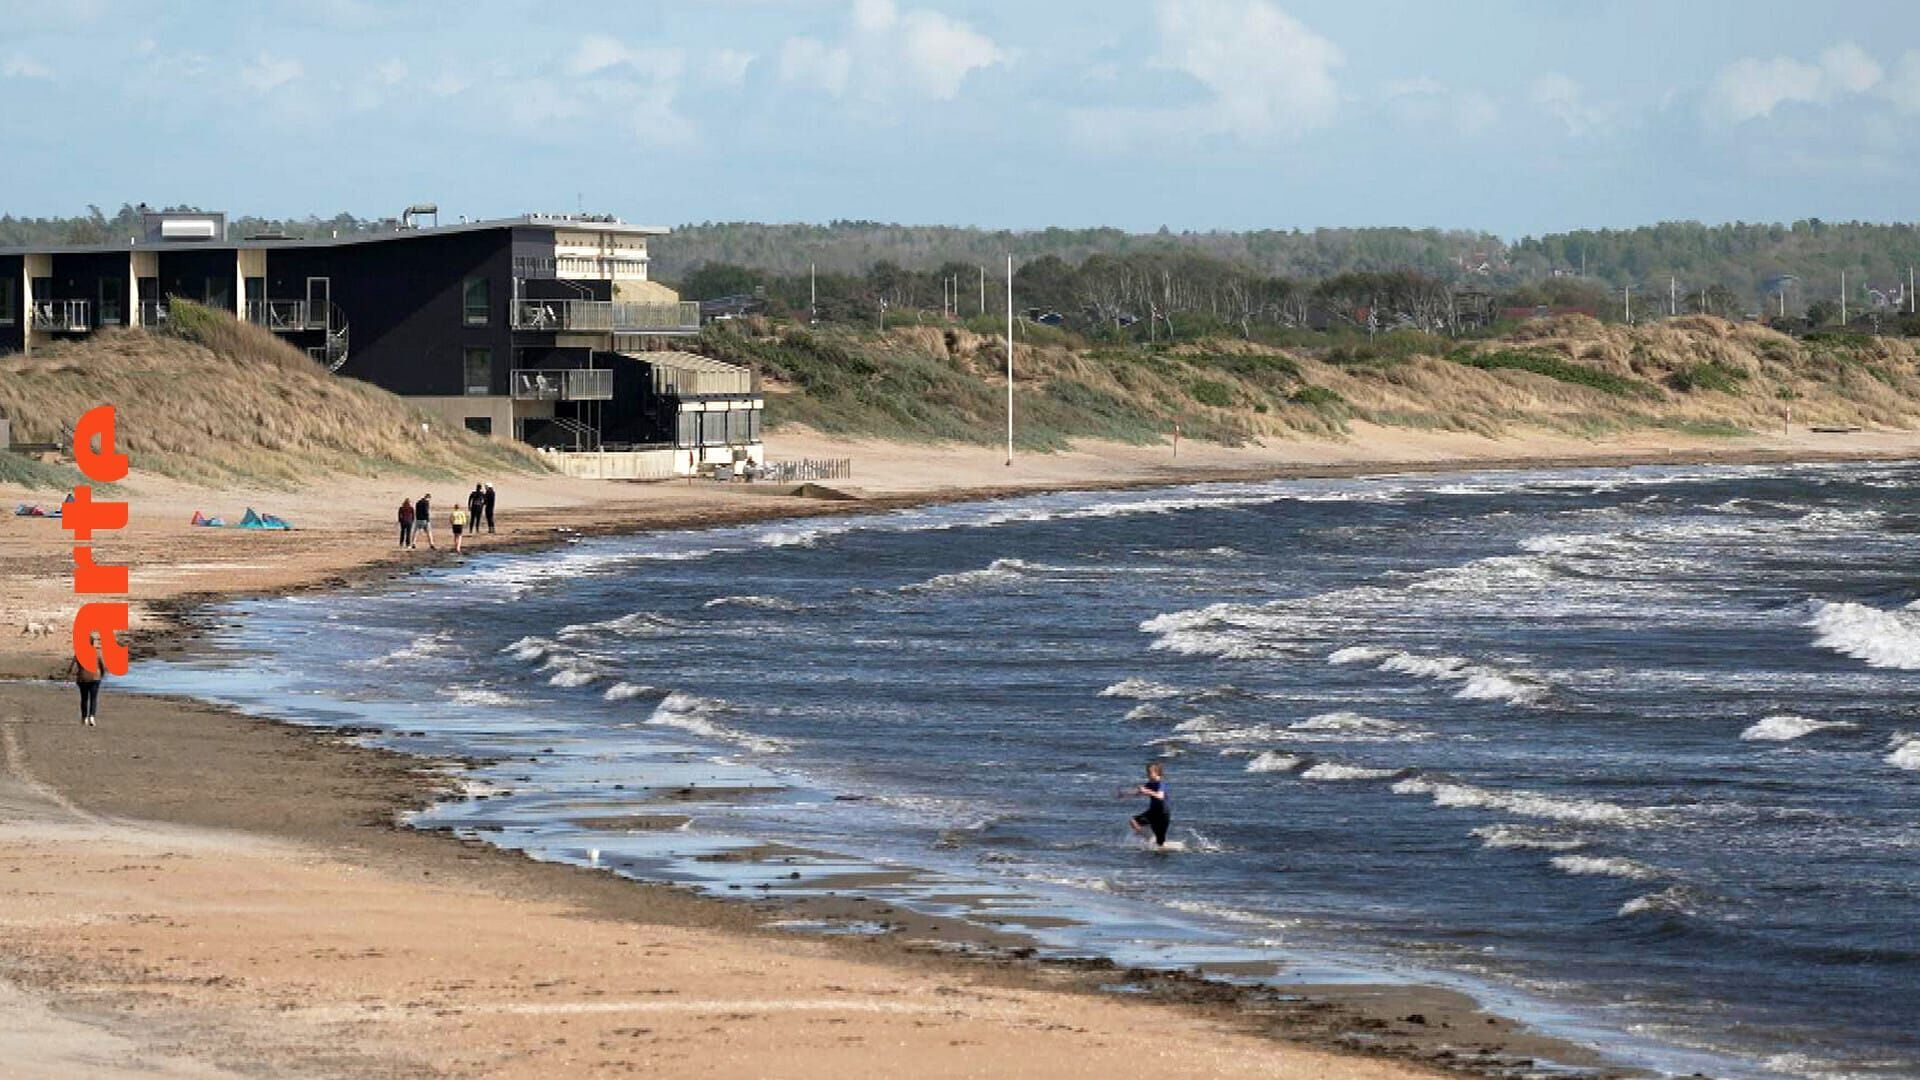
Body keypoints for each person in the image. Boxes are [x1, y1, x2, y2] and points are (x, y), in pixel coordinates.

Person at [1127, 762, 1170, 848]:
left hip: (1163, 814)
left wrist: (1147, 791)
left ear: (1157, 773)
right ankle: (1148, 838)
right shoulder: (1150, 783)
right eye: (1147, 772)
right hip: (1153, 812)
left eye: (1149, 772)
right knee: (1133, 821)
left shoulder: (1161, 783)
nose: (1147, 775)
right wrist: (1124, 794)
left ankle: (1156, 843)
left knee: (1160, 844)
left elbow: (1160, 796)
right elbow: (1139, 793)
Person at [67, 638, 104, 727]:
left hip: (82, 678)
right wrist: (102, 675)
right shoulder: (97, 652)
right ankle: (92, 716)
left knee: (84, 698)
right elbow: (102, 665)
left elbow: (72, 666)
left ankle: (84, 718)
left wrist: (70, 674)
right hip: (95, 677)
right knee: (93, 698)